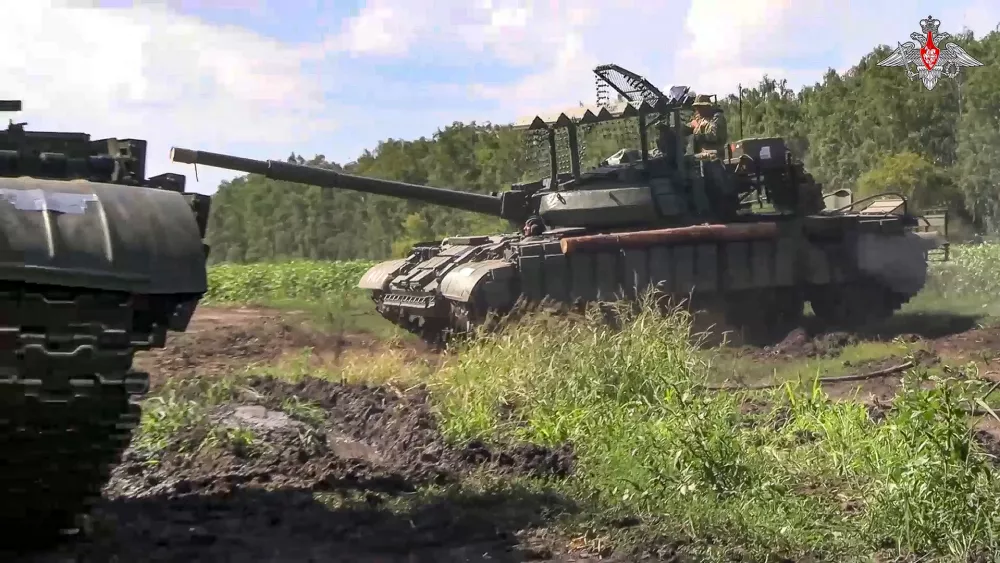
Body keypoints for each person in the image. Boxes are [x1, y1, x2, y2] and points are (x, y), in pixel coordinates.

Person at [683, 94, 728, 158]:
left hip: (716, 154)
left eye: (700, 107)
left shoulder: (717, 117)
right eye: (696, 107)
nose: (698, 110)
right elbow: (693, 128)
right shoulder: (702, 118)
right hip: (703, 153)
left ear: (707, 106)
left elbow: (714, 136)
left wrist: (698, 136)